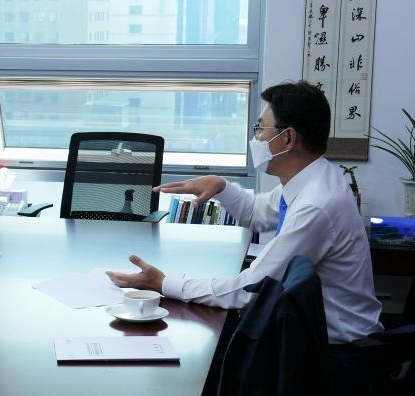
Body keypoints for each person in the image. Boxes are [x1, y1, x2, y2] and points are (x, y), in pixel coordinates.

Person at [106, 80, 383, 344]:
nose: (256, 138)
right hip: (305, 332)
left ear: (288, 138)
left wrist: (165, 284)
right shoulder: (313, 178)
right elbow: (256, 213)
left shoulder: (317, 204)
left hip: (336, 353)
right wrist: (221, 186)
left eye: (260, 128)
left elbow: (250, 289)